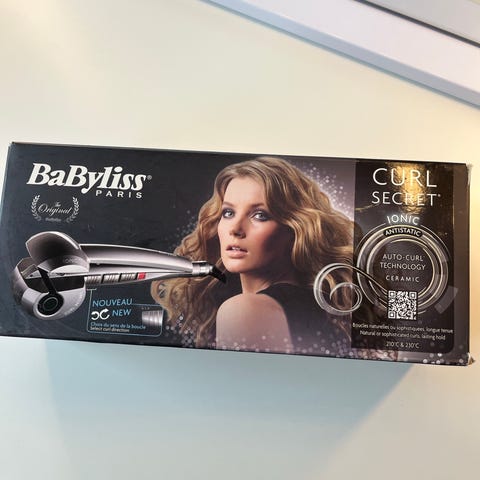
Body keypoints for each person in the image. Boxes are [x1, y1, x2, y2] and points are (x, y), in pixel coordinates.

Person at [151, 156, 354, 355]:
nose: (235, 229)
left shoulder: (246, 310)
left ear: (295, 230)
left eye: (260, 215)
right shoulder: (318, 309)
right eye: (228, 213)